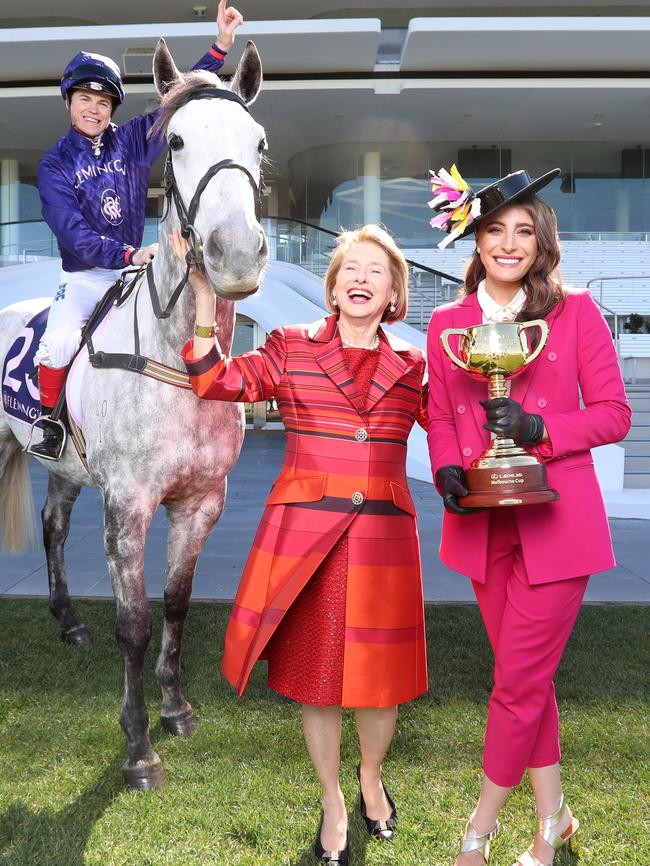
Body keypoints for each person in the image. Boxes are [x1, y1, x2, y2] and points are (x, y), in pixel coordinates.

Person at [175, 224, 428, 864]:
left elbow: (458, 427)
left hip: (384, 543)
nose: (361, 279)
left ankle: (371, 779)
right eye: (350, 269)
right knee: (318, 681)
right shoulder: (289, 346)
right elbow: (214, 381)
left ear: (394, 290)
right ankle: (333, 802)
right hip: (306, 544)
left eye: (376, 270)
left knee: (381, 683)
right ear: (334, 286)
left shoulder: (415, 365)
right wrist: (207, 306)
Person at [426, 166, 631, 866]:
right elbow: (439, 416)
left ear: (541, 243)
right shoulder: (448, 323)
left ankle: (477, 833)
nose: (508, 244)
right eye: (494, 231)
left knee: (515, 683)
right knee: (529, 681)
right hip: (483, 529)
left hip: (559, 528)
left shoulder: (576, 312)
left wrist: (540, 429)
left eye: (523, 232)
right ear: (476, 242)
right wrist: (448, 467)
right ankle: (554, 821)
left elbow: (615, 415)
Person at [31, 0, 244, 459]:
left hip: (134, 272)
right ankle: (50, 422)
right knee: (60, 341)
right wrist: (129, 255)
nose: (94, 108)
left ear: (112, 107)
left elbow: (181, 97)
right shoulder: (53, 164)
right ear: (69, 101)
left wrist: (220, 48)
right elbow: (73, 235)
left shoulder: (131, 140)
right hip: (87, 278)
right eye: (85, 98)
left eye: (103, 101)